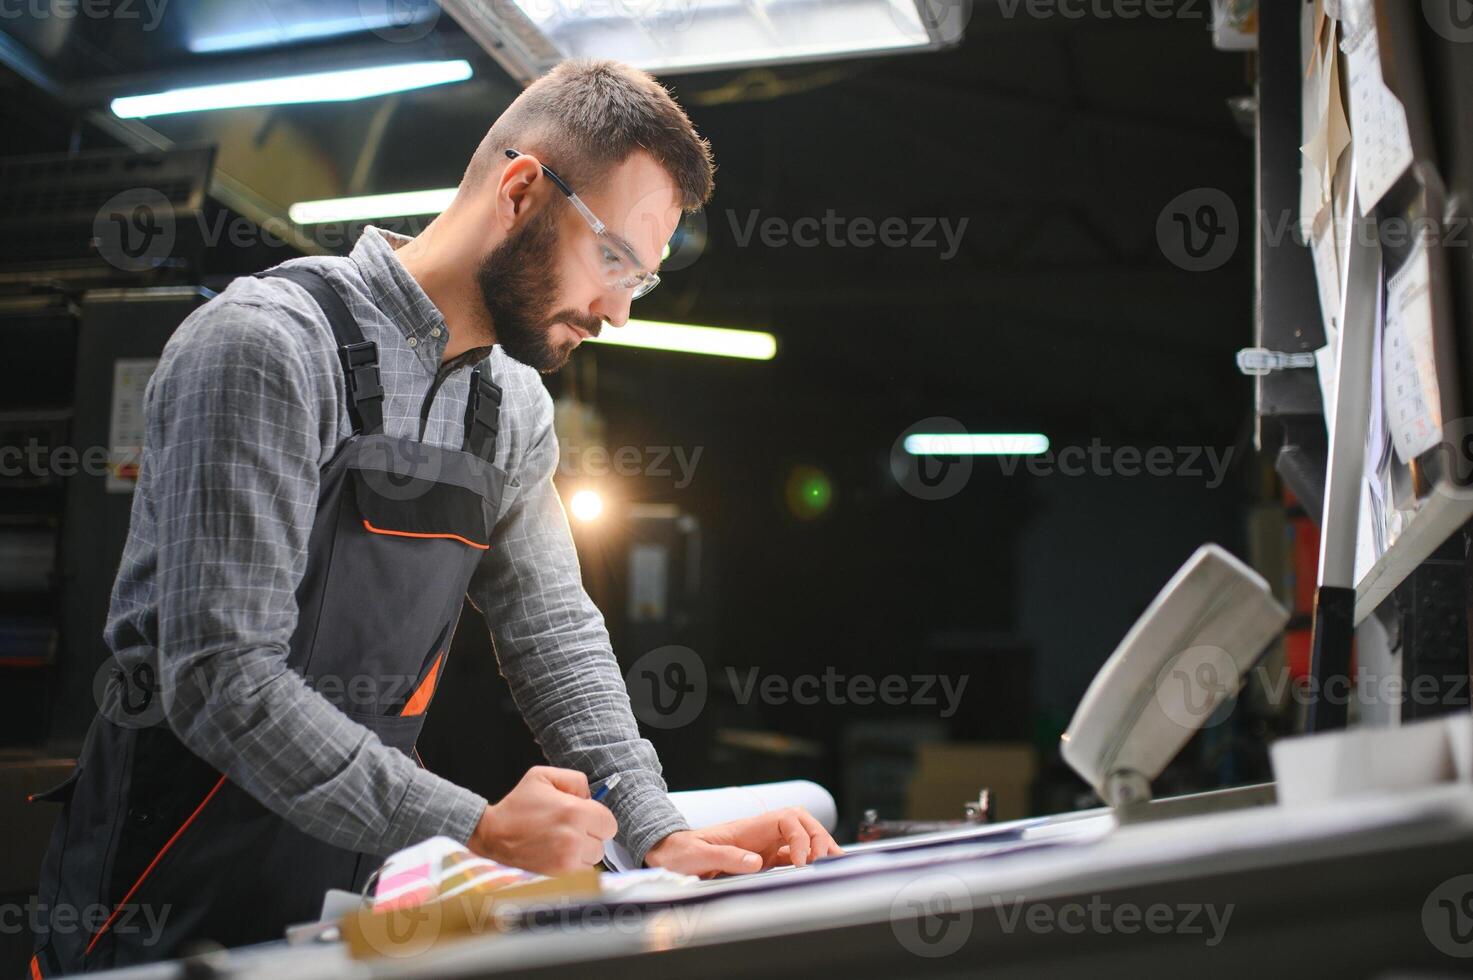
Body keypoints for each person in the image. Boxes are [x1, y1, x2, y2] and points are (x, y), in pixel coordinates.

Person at [31, 58, 837, 975]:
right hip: (155, 903)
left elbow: (556, 639)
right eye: (613, 259)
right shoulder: (266, 349)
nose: (617, 309)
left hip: (344, 903)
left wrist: (654, 833)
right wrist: (478, 828)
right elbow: (223, 679)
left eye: (639, 282)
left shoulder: (515, 410)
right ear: (523, 189)